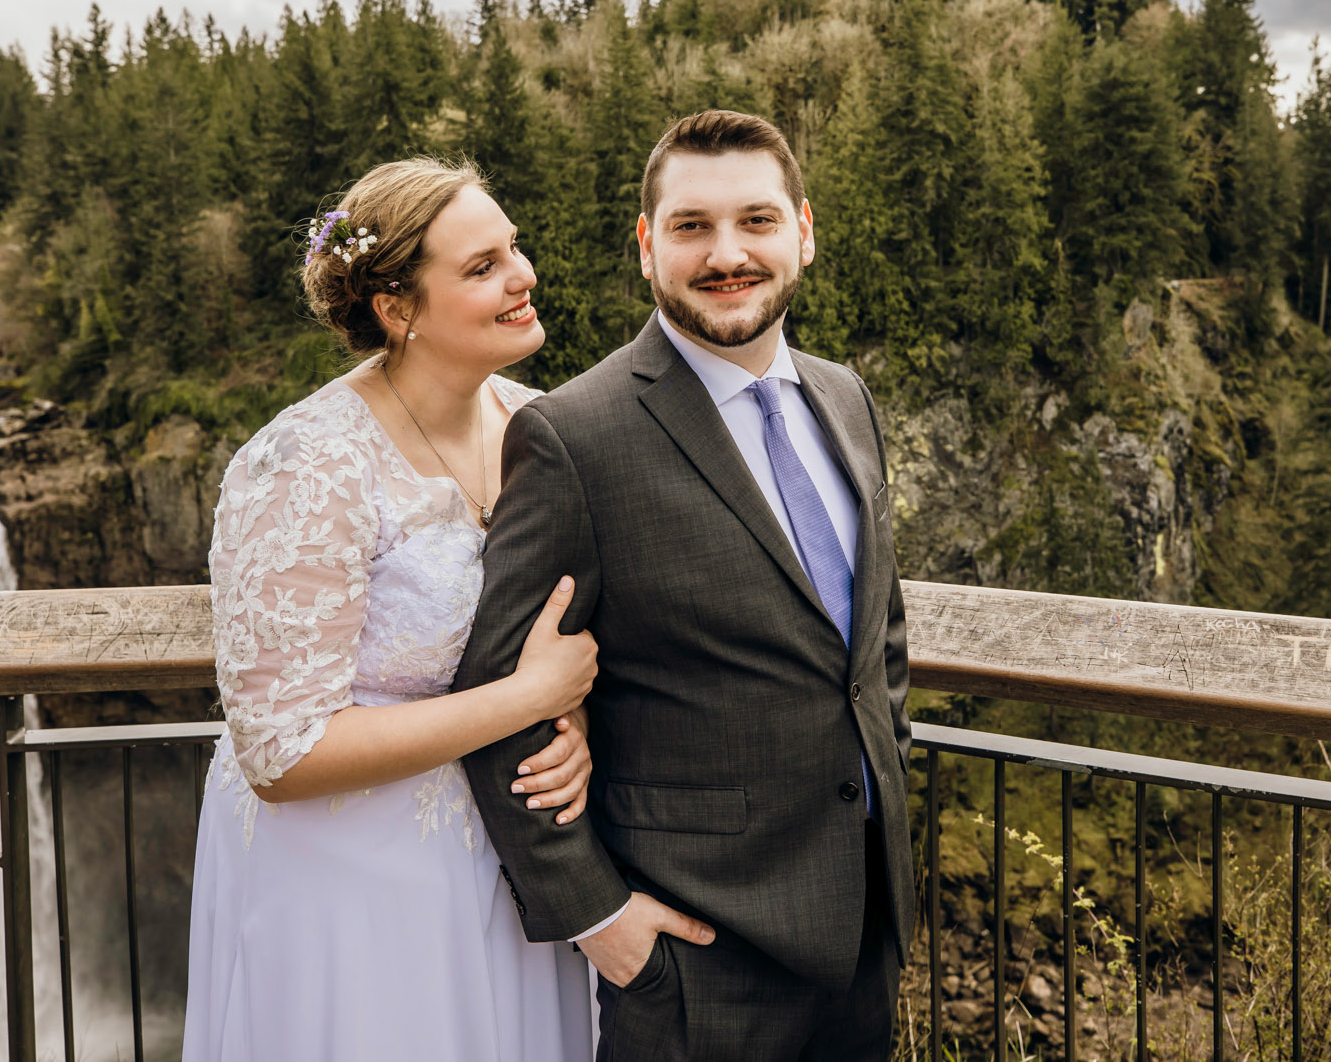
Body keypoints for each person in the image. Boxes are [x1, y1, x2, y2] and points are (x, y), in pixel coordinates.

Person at [455, 110, 915, 1062]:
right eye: (692, 226)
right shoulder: (573, 438)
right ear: (647, 245)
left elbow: (876, 645)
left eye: (756, 220)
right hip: (697, 963)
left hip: (865, 936)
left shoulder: (845, 397)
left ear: (804, 231)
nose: (727, 254)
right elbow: (495, 701)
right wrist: (600, 919)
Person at [183, 158, 645, 1061]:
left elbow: (561, 625)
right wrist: (524, 699)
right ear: (397, 309)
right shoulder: (306, 463)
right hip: (345, 884)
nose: (524, 276)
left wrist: (573, 718)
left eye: (513, 248)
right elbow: (282, 750)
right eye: (482, 267)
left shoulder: (537, 426)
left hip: (508, 865)